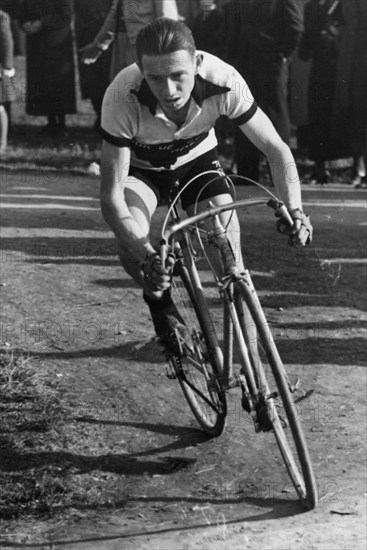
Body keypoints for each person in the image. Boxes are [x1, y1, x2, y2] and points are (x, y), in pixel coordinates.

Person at [99, 17, 313, 353]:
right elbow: (111, 199)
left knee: (231, 264)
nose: (169, 91)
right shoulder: (121, 94)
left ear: (196, 63)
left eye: (177, 75)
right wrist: (145, 254)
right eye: (155, 78)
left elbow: (276, 149)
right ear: (140, 69)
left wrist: (295, 207)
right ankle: (159, 298)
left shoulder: (223, 78)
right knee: (135, 240)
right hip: (142, 172)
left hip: (197, 163)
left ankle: (254, 368)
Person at [221, 0, 304, 183]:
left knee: (276, 117)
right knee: (242, 113)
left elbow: (295, 26)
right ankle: (247, 175)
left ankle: (281, 175)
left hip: (272, 63)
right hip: (243, 61)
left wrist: (284, 55)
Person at [298, 0, 345, 184]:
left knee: (339, 115)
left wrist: (334, 35)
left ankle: (355, 166)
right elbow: (306, 37)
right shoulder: (312, 7)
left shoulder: (342, 4)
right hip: (319, 68)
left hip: (340, 67)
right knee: (317, 116)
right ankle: (320, 166)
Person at [80, 0, 179, 82]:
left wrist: (161, 52)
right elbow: (115, 12)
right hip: (122, 43)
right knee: (120, 95)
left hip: (146, 46)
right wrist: (99, 44)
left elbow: (167, 20)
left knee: (145, 95)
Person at [19, 0, 76, 133]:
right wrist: (24, 25)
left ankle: (61, 123)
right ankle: (50, 121)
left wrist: (42, 24)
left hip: (56, 43)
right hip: (36, 44)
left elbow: (66, 16)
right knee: (42, 83)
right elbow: (22, 11)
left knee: (58, 83)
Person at [74, 0, 113, 129]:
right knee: (90, 76)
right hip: (85, 31)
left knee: (107, 75)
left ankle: (108, 117)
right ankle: (99, 114)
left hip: (106, 35)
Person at [0, 7, 16, 154]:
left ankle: (2, 142)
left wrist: (6, 66)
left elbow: (7, 42)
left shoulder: (2, 17)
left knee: (0, 108)